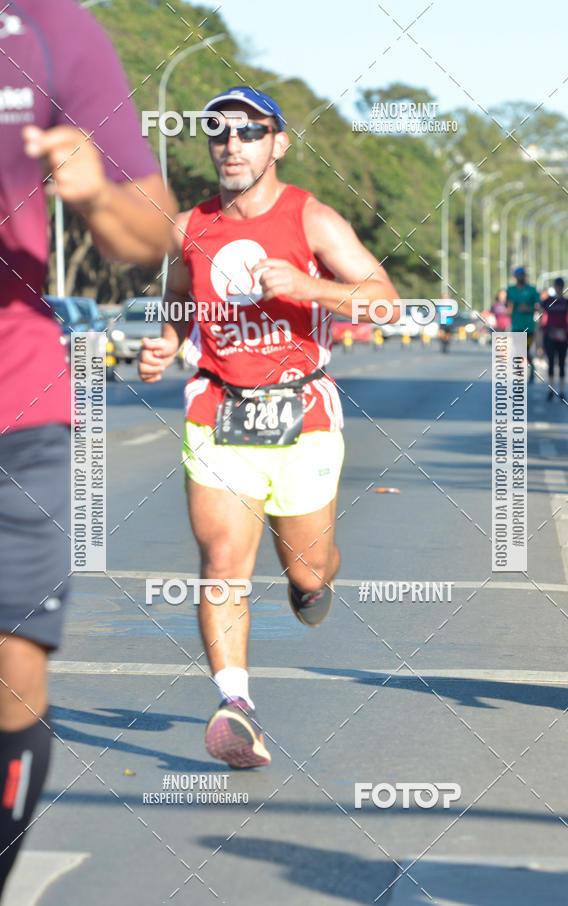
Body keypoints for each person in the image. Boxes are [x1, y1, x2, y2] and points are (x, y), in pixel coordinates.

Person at [138, 86, 397, 769]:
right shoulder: (188, 226)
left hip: (303, 410)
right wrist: (166, 343)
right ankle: (236, 705)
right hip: (218, 407)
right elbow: (177, 298)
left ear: (278, 143)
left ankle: (313, 582)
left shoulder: (312, 218)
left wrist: (311, 288)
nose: (232, 143)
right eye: (219, 131)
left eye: (249, 131)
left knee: (307, 570)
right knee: (223, 560)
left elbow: (387, 304)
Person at [0, 0, 176, 892]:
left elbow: (152, 233)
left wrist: (97, 192)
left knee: (10, 669)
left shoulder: (49, 27)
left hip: (14, 397)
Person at [506, 266, 540, 383]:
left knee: (525, 350)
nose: (520, 277)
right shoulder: (511, 290)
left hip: (529, 327)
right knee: (518, 351)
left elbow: (539, 307)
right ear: (515, 276)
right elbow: (508, 306)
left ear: (524, 276)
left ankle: (531, 367)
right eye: (518, 275)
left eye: (522, 274)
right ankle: (519, 376)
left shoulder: (532, 290)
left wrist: (529, 309)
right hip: (516, 327)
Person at [542, 277, 568, 401]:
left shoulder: (567, 302)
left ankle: (562, 390)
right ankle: (551, 388)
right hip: (550, 335)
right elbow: (541, 318)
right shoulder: (547, 301)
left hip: (563, 336)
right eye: (557, 287)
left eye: (560, 287)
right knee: (550, 361)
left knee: (561, 362)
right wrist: (540, 337)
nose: (559, 289)